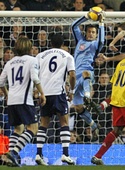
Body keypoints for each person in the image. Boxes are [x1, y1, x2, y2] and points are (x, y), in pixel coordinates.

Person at [0, 36, 46, 167]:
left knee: (18, 128)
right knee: (34, 128)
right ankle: (14, 153)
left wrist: (7, 94)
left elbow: (1, 82)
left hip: (12, 101)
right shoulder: (32, 60)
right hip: (24, 100)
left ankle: (10, 157)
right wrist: (42, 93)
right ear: (29, 48)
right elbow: (35, 78)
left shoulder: (10, 63)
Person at [35, 33, 76, 166]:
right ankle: (65, 154)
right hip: (59, 93)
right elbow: (73, 75)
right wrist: (72, 91)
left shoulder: (40, 56)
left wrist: (36, 91)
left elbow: (34, 74)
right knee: (64, 122)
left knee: (43, 124)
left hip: (44, 94)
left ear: (50, 43)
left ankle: (38, 153)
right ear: (63, 44)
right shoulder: (67, 56)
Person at [71, 11, 105, 139]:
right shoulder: (80, 40)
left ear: (96, 35)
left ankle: (87, 95)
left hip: (87, 72)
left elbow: (102, 41)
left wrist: (101, 23)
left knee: (86, 73)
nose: (90, 34)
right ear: (86, 32)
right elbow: (73, 26)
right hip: (75, 76)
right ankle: (93, 124)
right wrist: (85, 17)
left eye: (93, 32)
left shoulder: (95, 45)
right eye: (89, 31)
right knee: (78, 107)